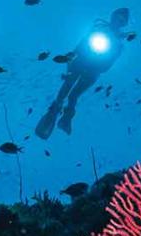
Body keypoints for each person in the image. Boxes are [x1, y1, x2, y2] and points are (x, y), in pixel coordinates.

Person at [36, 7, 130, 140]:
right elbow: (81, 45)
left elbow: (108, 65)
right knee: (67, 85)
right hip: (80, 62)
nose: (118, 21)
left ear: (123, 24)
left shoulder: (119, 43)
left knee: (74, 95)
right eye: (117, 17)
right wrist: (71, 57)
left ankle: (67, 118)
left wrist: (100, 65)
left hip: (93, 71)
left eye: (122, 20)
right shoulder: (98, 28)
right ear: (112, 17)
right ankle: (54, 110)